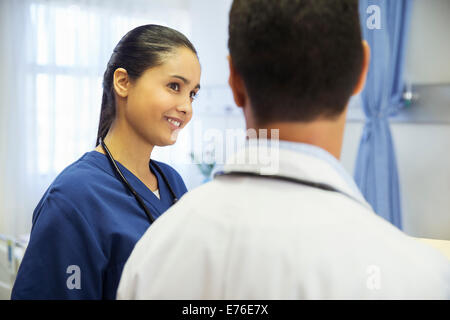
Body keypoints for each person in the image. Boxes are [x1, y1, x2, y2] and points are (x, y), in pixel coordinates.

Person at [117, 0, 450, 299]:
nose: (184, 106)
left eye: (190, 92)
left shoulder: (153, 253)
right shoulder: (420, 278)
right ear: (362, 71)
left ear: (234, 80)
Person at [11, 24, 201, 299]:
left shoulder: (172, 183)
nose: (187, 107)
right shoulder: (72, 198)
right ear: (123, 82)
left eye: (193, 93)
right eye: (174, 86)